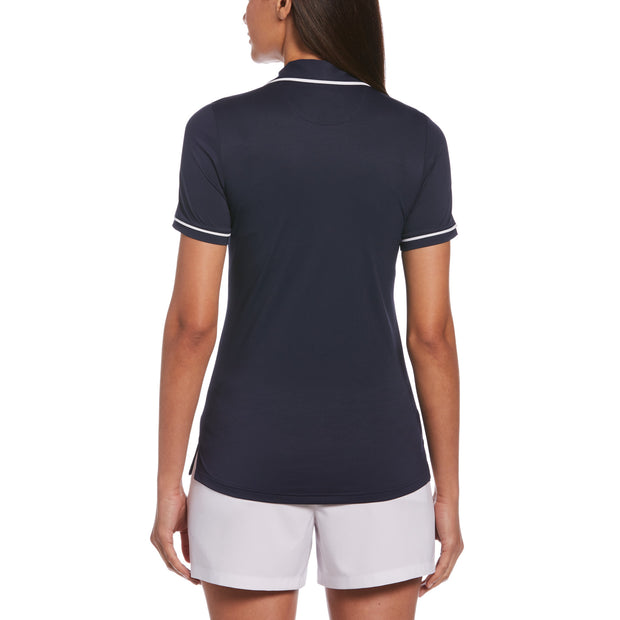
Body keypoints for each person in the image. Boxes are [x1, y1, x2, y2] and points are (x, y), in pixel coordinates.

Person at [150, 0, 464, 618]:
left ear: (284, 3)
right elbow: (432, 335)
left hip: (244, 456)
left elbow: (192, 326)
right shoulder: (418, 138)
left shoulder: (217, 130)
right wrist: (447, 496)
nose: (242, 12)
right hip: (381, 461)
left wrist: (168, 484)